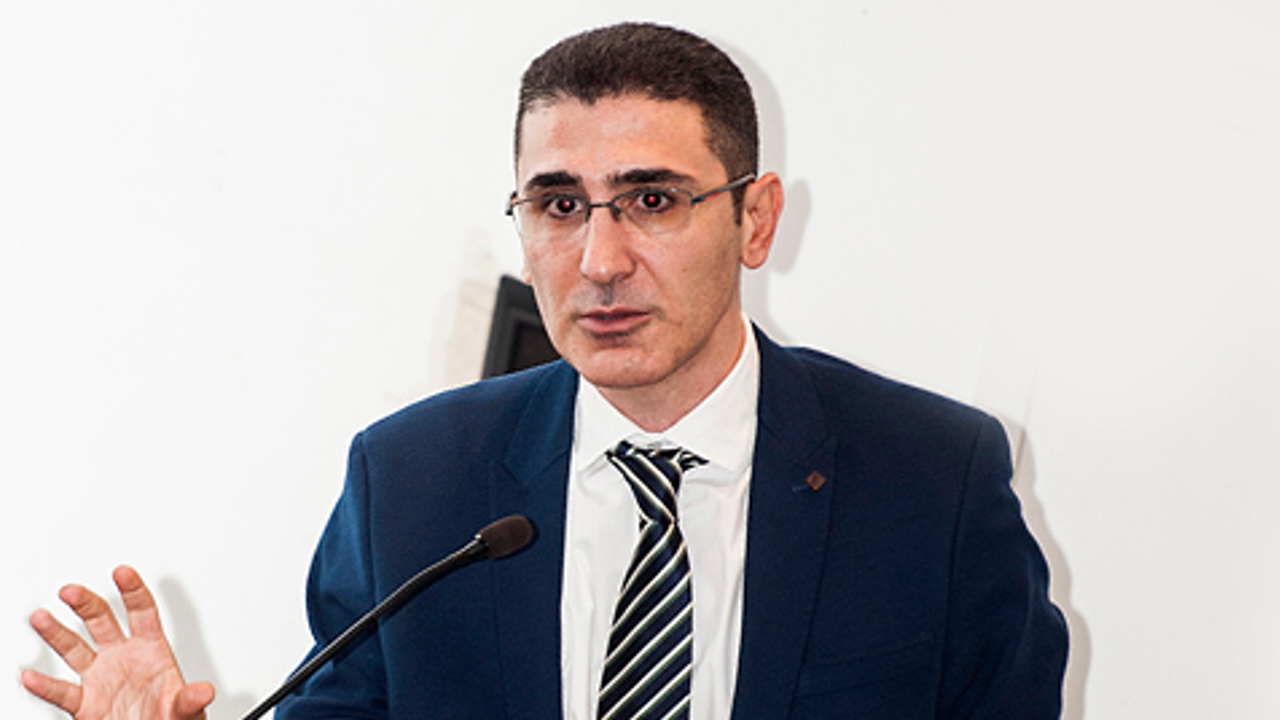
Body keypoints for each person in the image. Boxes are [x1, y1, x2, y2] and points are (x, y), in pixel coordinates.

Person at [22, 22, 1068, 719]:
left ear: (755, 221)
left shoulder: (932, 480)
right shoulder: (412, 483)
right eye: (559, 205)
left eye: (652, 200)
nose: (600, 260)